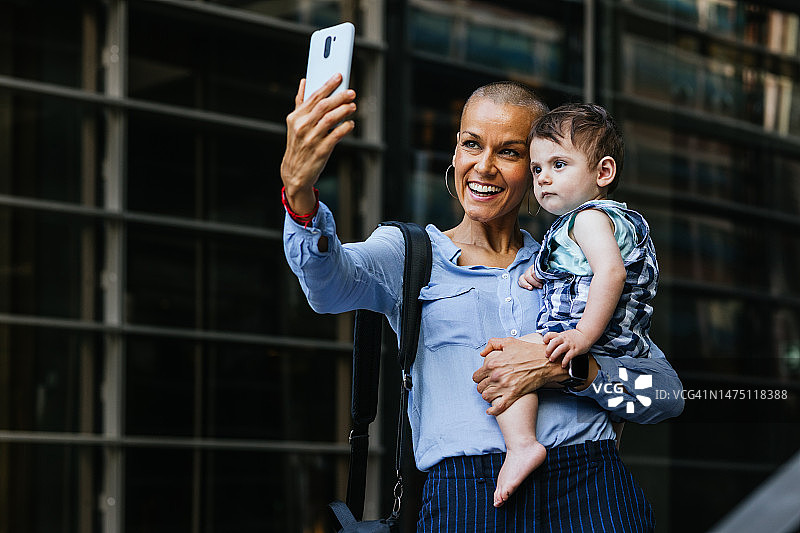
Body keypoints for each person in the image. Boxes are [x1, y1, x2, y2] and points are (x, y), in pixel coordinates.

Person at [281, 74, 684, 531]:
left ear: (535, 167)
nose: (484, 166)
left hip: (593, 491)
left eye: (509, 152)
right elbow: (328, 286)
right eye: (472, 144)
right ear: (455, 152)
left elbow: (666, 396)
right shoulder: (410, 255)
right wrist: (299, 196)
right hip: (468, 500)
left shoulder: (576, 267)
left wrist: (569, 369)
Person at [490, 103, 659, 507]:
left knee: (503, 360)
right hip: (623, 347)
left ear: (603, 172)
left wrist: (582, 335)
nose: (543, 178)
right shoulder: (599, 222)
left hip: (593, 338)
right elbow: (578, 266)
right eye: (536, 169)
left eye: (559, 165)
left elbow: (610, 273)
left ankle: (522, 445)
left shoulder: (588, 219)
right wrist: (540, 274)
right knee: (610, 429)